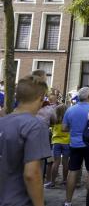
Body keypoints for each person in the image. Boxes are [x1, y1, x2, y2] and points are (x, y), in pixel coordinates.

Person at [0, 75, 52, 205]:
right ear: (41, 98)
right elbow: (32, 173)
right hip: (19, 201)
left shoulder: (2, 122)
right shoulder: (36, 126)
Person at [63, 87, 89, 206]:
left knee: (73, 171)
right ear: (88, 97)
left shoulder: (70, 110)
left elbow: (64, 128)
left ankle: (68, 201)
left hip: (75, 144)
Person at [45, 104, 71, 188]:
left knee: (56, 162)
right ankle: (64, 181)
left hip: (56, 142)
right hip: (66, 142)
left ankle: (52, 182)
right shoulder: (68, 121)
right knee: (65, 162)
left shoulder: (54, 121)